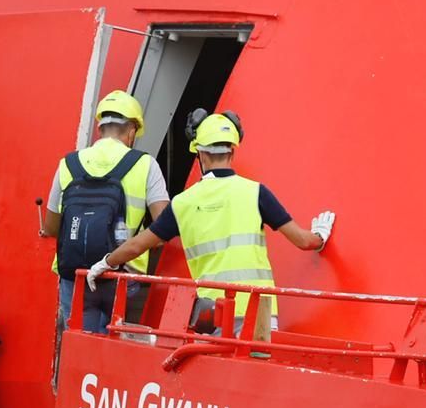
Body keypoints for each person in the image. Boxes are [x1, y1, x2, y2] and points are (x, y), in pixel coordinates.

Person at [86, 111, 334, 340]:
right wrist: (320, 236)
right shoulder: (255, 193)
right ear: (232, 152)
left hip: (214, 313)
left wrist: (105, 262)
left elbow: (138, 245)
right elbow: (304, 241)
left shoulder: (183, 203)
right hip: (260, 313)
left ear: (201, 154)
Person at [41, 90, 169, 334]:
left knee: (77, 344)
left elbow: (50, 227)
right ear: (132, 130)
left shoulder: (68, 163)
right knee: (112, 350)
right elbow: (164, 226)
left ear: (100, 129)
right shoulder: (145, 164)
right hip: (122, 275)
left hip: (75, 274)